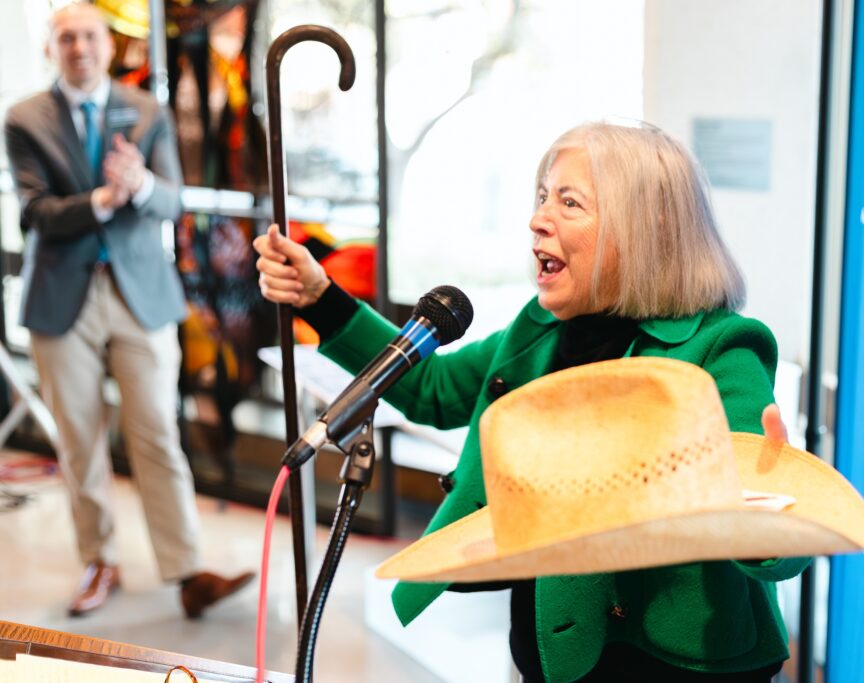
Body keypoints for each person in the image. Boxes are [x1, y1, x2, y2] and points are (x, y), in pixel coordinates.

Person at [254, 121, 804, 681]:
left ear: (646, 228)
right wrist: (320, 299)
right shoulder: (539, 328)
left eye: (570, 202)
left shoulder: (720, 347)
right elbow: (431, 389)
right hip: (551, 642)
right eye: (543, 197)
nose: (538, 218)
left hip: (673, 661)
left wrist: (769, 510)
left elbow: (775, 525)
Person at [4, 2, 252, 618]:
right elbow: (35, 214)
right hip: (61, 299)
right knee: (81, 444)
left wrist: (139, 187)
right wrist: (103, 200)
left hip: (140, 296)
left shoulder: (148, 112)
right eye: (66, 38)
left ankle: (188, 571)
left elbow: (171, 202)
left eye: (89, 35)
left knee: (158, 434)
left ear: (108, 45)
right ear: (51, 48)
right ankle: (99, 560)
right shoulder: (25, 119)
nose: (79, 47)